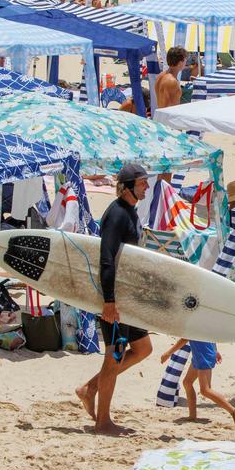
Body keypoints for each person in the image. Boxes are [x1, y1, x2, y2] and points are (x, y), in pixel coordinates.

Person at [76, 164, 152, 435]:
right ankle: (103, 421)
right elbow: (106, 258)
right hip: (114, 298)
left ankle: (90, 388)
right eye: (142, 183)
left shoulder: (131, 212)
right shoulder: (116, 214)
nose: (146, 187)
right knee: (114, 355)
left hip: (127, 297)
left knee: (143, 348)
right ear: (129, 186)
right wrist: (109, 301)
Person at [160, 338, 235, 423]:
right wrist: (215, 350)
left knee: (205, 390)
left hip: (203, 355)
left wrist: (168, 353)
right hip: (200, 354)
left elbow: (185, 339)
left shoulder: (193, 324)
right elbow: (209, 334)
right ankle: (192, 416)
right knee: (187, 382)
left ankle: (234, 411)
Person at [153, 46, 188, 111]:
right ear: (180, 63)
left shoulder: (160, 76)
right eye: (185, 60)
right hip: (167, 119)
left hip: (160, 116)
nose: (186, 63)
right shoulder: (172, 81)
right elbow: (172, 109)